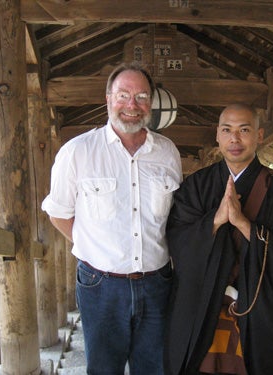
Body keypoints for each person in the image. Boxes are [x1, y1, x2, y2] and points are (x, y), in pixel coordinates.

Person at [42, 62, 182, 375]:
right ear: (108, 99)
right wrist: (95, 248)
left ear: (150, 103)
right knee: (104, 369)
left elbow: (174, 217)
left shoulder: (168, 152)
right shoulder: (76, 152)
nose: (132, 105)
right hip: (100, 285)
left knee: (156, 367)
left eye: (142, 97)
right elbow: (59, 213)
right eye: (123, 95)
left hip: (158, 282)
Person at [164, 103, 273, 374]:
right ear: (217, 135)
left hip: (255, 307)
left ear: (259, 135)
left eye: (244, 130)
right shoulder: (196, 186)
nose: (234, 139)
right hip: (201, 305)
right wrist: (214, 221)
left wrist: (242, 223)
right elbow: (176, 240)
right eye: (227, 130)